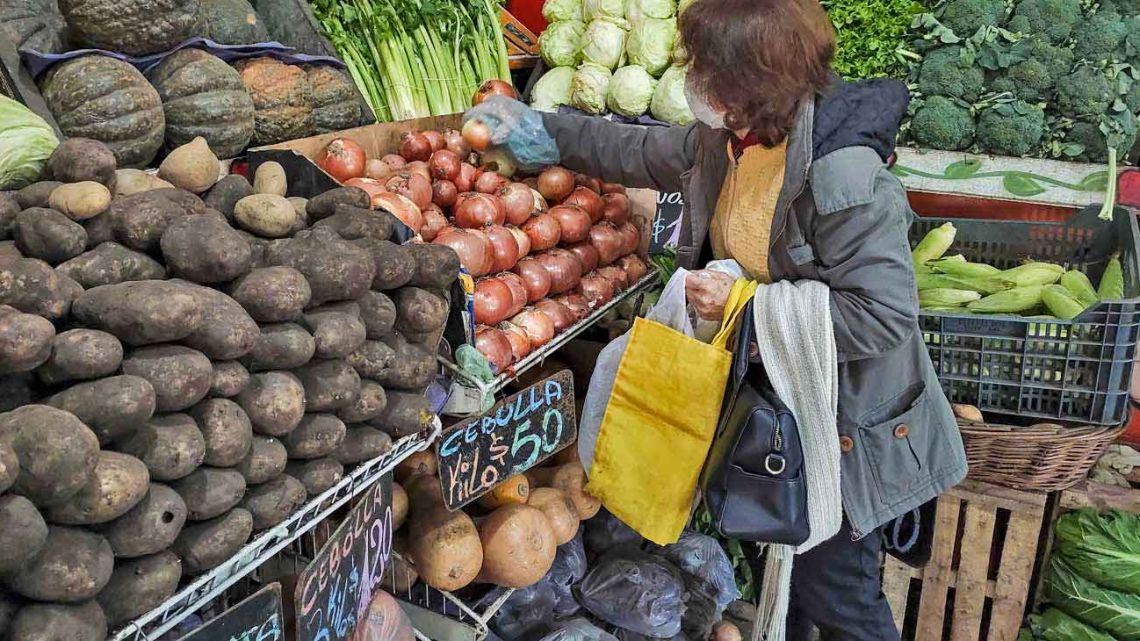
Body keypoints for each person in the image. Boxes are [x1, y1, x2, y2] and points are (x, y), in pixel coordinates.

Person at [466, 0, 967, 637]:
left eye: (702, 64)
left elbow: (883, 317)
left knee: (840, 596)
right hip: (787, 406)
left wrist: (742, 306)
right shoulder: (732, 141)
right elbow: (644, 149)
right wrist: (545, 130)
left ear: (749, 82)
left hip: (849, 429)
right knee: (801, 576)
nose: (690, 74)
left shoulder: (843, 179)